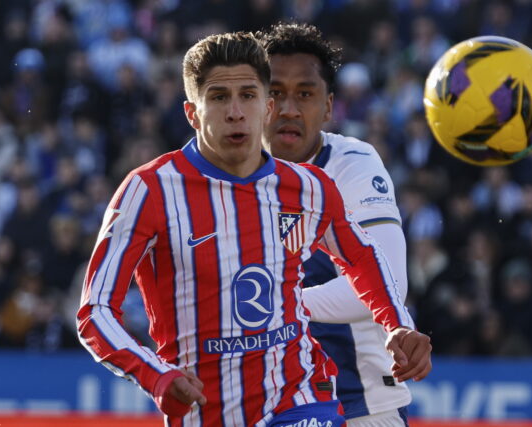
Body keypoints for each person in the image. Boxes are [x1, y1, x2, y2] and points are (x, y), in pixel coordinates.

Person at [77, 31, 431, 426]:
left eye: (248, 95)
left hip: (303, 401)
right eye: (218, 98)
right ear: (192, 113)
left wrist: (396, 323)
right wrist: (155, 374)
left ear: (265, 106)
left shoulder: (308, 186)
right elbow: (95, 312)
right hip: (206, 412)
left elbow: (363, 257)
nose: (234, 112)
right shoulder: (149, 191)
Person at [261, 23, 430, 426]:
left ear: (329, 107)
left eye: (305, 94)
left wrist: (265, 309)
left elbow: (390, 281)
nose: (288, 108)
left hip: (358, 404)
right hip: (263, 405)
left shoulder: (352, 164)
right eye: (274, 93)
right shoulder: (221, 176)